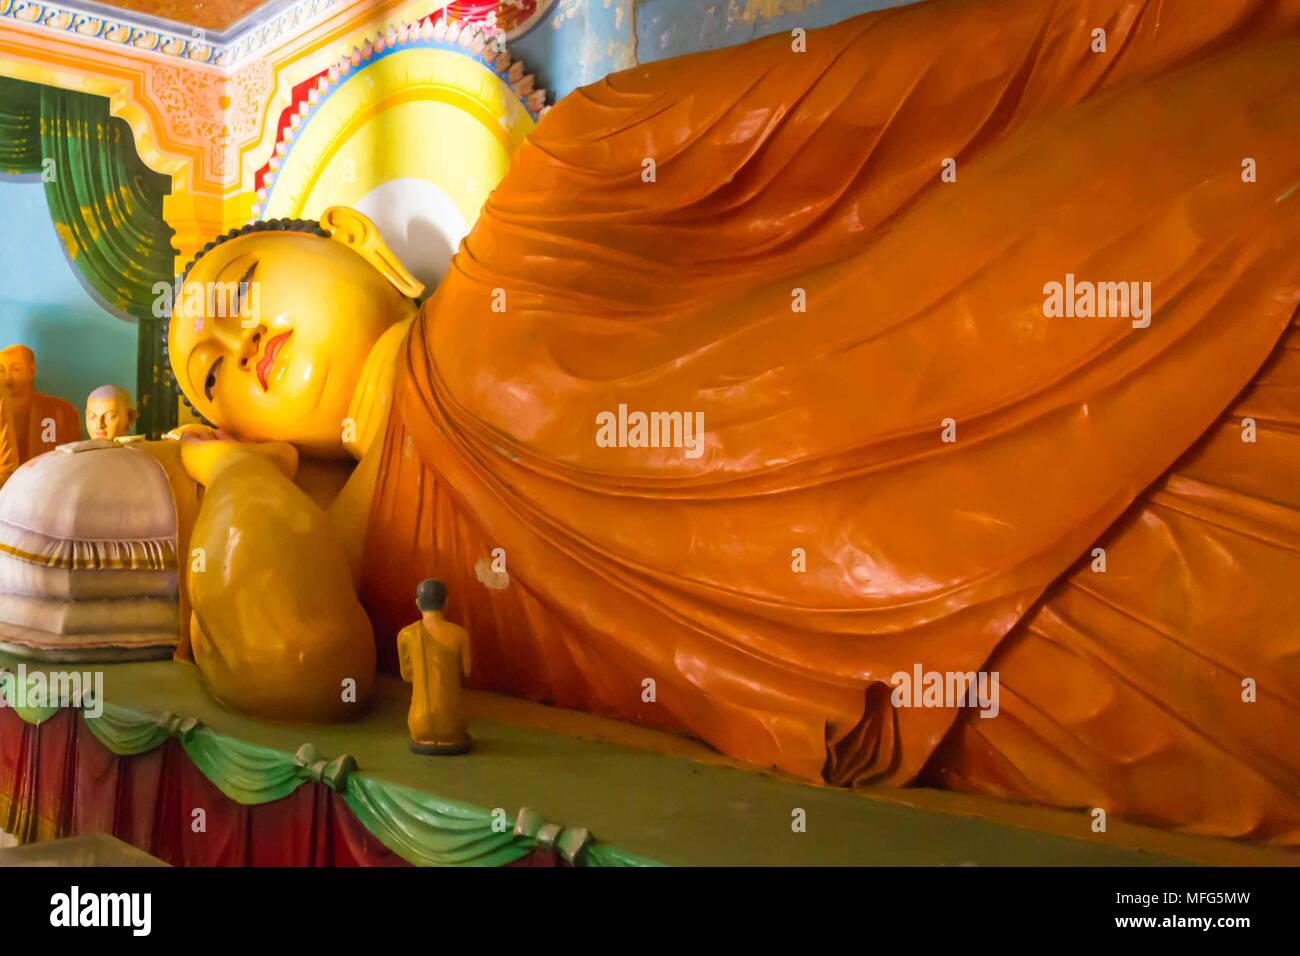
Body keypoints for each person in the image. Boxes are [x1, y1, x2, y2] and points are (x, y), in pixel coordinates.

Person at [162, 0, 1300, 843]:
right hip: (998, 682)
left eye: (240, 288)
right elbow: (291, 652)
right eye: (206, 377)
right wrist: (242, 480)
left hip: (1058, 345)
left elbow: (955, 83)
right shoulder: (355, 554)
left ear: (354, 241)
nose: (226, 347)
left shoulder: (561, 187)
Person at [397, 579, 472, 755]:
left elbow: (406, 676)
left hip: (418, 723)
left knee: (419, 714)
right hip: (454, 725)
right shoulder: (460, 635)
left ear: (417, 603)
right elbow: (466, 671)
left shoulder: (406, 635)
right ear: (447, 602)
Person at [0, 345, 81, 461]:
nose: (8, 378)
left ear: (31, 371)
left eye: (16, 369)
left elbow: (73, 459)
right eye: (1, 370)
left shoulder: (61, 411)